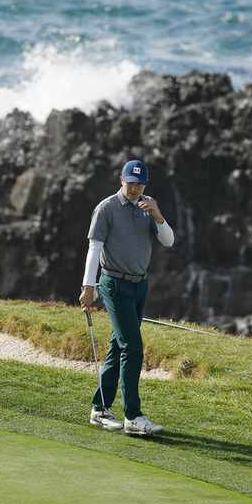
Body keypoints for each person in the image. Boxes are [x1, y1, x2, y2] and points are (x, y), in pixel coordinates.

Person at [79, 159, 175, 435]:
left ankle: (99, 409)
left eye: (139, 184)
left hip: (139, 286)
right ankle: (133, 416)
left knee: (118, 348)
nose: (134, 189)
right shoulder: (107, 208)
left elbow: (168, 240)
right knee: (133, 348)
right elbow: (94, 249)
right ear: (121, 180)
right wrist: (89, 286)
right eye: (130, 183)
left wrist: (158, 215)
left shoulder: (148, 207)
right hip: (114, 284)